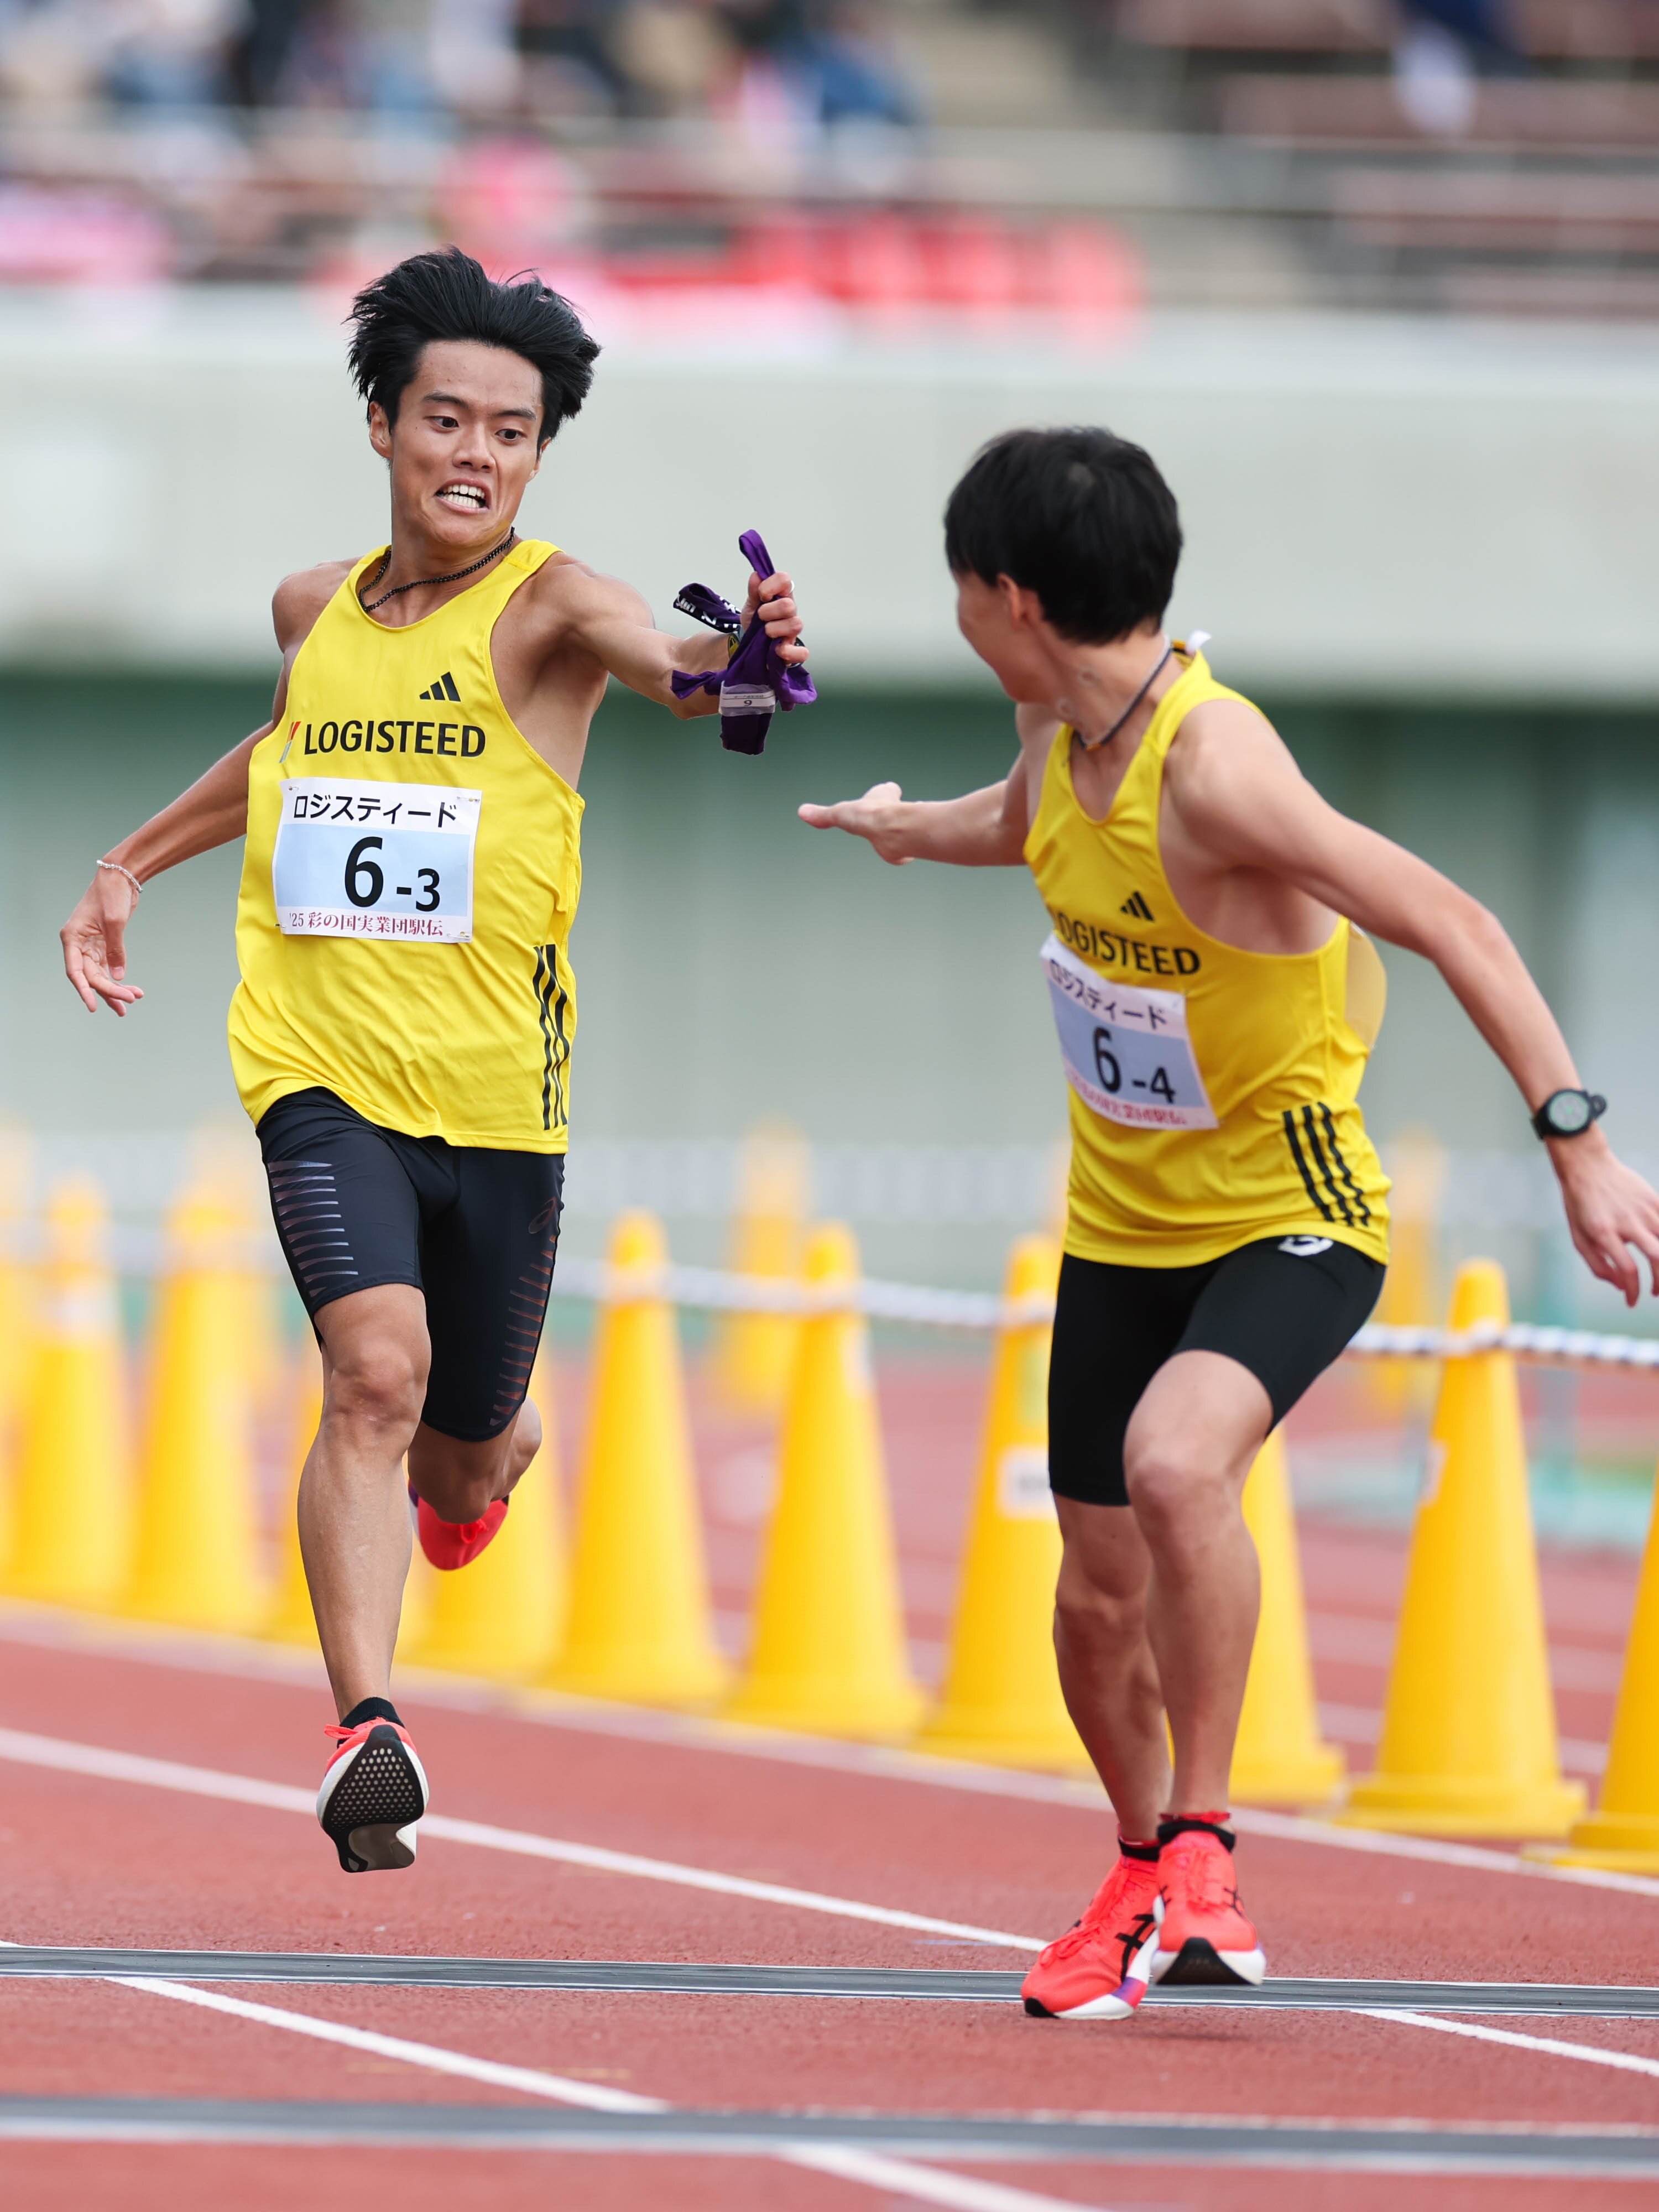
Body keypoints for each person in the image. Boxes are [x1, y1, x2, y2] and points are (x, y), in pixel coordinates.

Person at [800, 425, 1659, 2016]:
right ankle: (1140, 1870)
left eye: (962, 593)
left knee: (1178, 1462)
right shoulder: (1058, 727)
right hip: (1122, 1218)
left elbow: (1451, 916)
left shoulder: (1220, 762)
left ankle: (1206, 1841)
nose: (960, 618)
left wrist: (1577, 1145)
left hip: (1291, 1204)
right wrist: (913, 830)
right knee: (1091, 1593)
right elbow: (1028, 822)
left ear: (1010, 595)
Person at [60, 246, 806, 1876]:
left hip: (501, 1111)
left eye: (513, 434)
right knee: (372, 1374)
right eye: (447, 420)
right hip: (317, 1070)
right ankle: (366, 1728)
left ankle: (488, 1468)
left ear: (539, 457)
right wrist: (130, 863)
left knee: (463, 1446)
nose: (476, 455)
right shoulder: (312, 611)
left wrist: (743, 664)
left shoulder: (549, 607)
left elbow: (681, 671)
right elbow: (290, 753)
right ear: (385, 423)